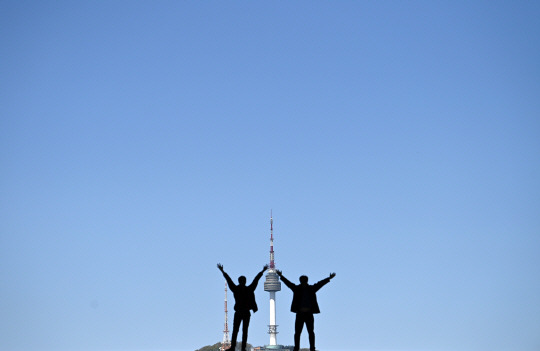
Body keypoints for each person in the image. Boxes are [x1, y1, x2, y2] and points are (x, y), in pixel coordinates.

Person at [277, 270, 336, 351]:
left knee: (300, 333)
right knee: (308, 332)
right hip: (306, 314)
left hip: (302, 314)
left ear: (300, 281)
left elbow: (289, 284)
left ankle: (298, 348)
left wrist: (281, 276)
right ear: (306, 281)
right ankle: (310, 348)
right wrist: (329, 278)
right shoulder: (310, 289)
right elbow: (320, 284)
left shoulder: (298, 289)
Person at [217, 263, 268, 351]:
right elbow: (256, 280)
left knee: (235, 330)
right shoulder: (249, 289)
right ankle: (243, 348)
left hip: (238, 312)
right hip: (246, 312)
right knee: (245, 331)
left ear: (239, 281)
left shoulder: (235, 289)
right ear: (245, 281)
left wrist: (222, 271)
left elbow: (228, 280)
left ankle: (232, 347)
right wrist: (262, 271)